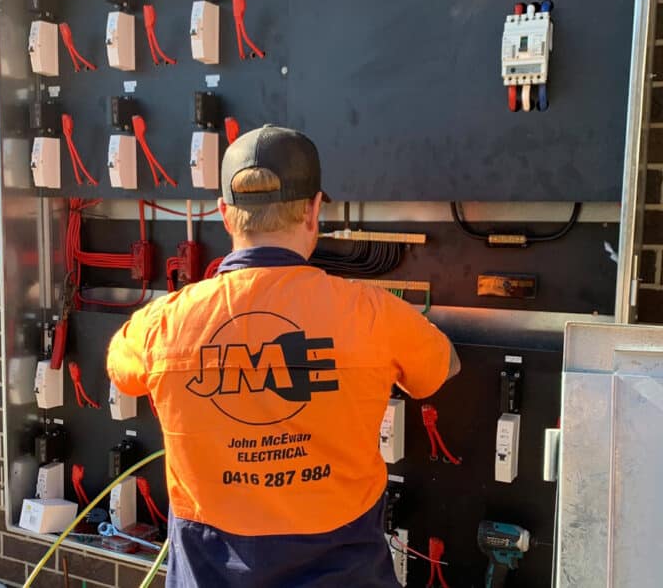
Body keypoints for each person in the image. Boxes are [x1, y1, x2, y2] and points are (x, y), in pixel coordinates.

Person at [107, 125, 460, 587]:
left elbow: (121, 371)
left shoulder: (162, 323)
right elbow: (442, 366)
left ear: (225, 216)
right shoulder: (372, 312)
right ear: (313, 211)